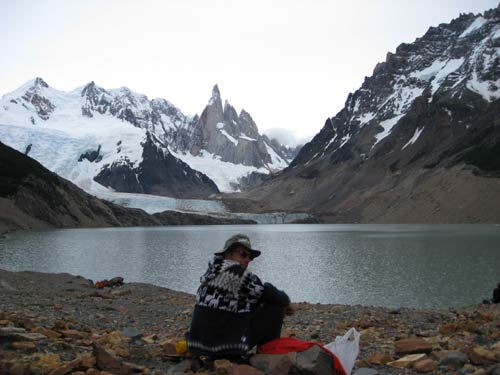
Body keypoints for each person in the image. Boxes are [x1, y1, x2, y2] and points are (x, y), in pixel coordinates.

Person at [187, 234, 294, 358]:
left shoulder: (212, 271)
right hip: (221, 349)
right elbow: (268, 292)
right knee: (275, 305)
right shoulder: (236, 274)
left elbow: (254, 296)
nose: (247, 259)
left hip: (197, 344)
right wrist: (286, 302)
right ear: (228, 254)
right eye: (243, 254)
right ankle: (268, 353)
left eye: (250, 257)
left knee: (260, 301)